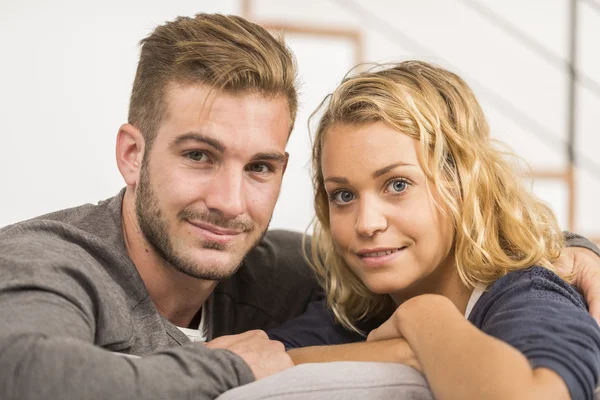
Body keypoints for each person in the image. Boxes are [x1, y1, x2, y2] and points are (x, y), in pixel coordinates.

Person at [0, 12, 599, 400]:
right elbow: (27, 377)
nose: (230, 204)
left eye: (259, 167)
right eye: (200, 156)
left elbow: (484, 258)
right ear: (132, 155)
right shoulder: (47, 265)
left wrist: (572, 253)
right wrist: (229, 368)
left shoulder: (291, 268)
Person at [287, 60, 600, 399]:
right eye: (343, 195)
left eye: (397, 185)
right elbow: (252, 363)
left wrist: (425, 317)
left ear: (463, 184)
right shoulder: (355, 309)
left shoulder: (531, 292)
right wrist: (405, 353)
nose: (366, 224)